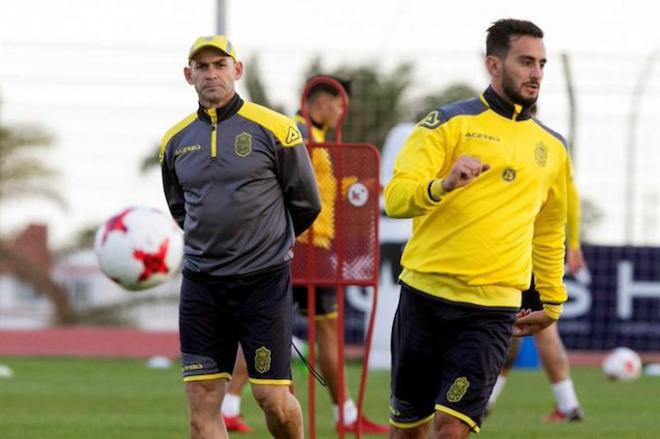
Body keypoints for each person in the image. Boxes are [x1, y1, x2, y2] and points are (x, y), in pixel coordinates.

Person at [383, 19, 571, 438]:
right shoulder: (446, 123)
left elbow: (549, 229)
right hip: (425, 299)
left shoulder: (553, 148)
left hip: (491, 311)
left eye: (541, 63)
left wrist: (553, 300)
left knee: (452, 428)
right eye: (525, 61)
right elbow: (395, 198)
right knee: (408, 430)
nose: (536, 72)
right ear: (494, 64)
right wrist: (442, 185)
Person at [160, 35, 321, 439]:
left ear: (237, 70)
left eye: (219, 65)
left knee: (273, 400)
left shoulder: (277, 129)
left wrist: (268, 243)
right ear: (188, 75)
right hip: (202, 285)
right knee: (201, 407)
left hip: (263, 283)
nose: (211, 73)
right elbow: (181, 209)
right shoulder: (174, 143)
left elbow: (306, 203)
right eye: (202, 67)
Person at [221, 75, 389, 434]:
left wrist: (365, 186)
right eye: (340, 104)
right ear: (323, 104)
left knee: (268, 328)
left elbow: (326, 186)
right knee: (327, 330)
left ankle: (230, 404)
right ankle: (344, 413)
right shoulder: (298, 135)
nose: (342, 112)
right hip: (307, 246)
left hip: (289, 245)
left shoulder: (312, 140)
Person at [486, 157, 586, 422]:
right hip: (538, 252)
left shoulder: (516, 147)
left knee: (509, 327)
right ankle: (568, 404)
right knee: (538, 328)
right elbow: (570, 196)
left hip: (514, 251)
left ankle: (481, 402)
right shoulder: (551, 149)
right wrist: (573, 243)